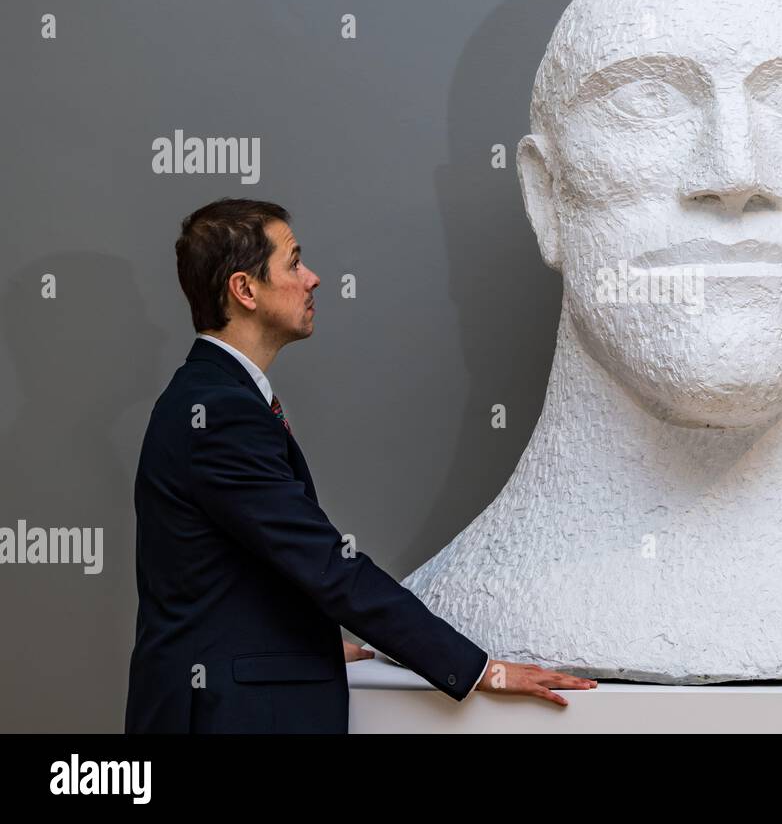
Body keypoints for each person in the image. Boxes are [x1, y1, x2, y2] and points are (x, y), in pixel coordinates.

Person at [125, 198, 595, 733]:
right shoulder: (222, 411)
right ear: (245, 290)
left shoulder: (212, 397)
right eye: (295, 262)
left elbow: (234, 565)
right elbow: (323, 563)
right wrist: (477, 669)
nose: (314, 279)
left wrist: (306, 641)